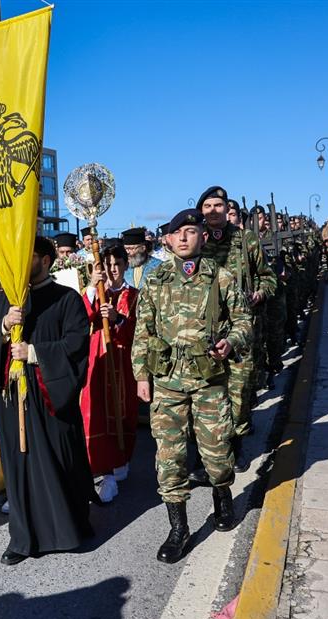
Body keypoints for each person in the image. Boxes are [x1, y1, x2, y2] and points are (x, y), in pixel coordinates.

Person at [131, 209, 252, 564]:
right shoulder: (155, 281)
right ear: (167, 240)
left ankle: (222, 496)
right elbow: (143, 330)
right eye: (176, 233)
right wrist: (141, 376)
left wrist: (231, 342)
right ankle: (178, 528)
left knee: (216, 451)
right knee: (169, 456)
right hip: (167, 380)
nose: (183, 237)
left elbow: (244, 321)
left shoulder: (221, 277)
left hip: (209, 379)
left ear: (202, 236)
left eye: (190, 231)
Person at [0, 236, 94, 566]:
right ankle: (23, 537)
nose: (18, 261)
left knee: (61, 460)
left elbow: (76, 345)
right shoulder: (6, 301)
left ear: (45, 260)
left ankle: (70, 528)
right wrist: (2, 326)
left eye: (26, 255)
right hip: (13, 399)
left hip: (49, 397)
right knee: (19, 467)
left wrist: (33, 353)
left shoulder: (66, 299)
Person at [199, 186, 275, 470]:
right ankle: (210, 453)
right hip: (205, 329)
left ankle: (237, 444)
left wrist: (260, 294)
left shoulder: (246, 240)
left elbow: (269, 278)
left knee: (239, 392)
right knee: (208, 393)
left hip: (242, 328)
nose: (213, 211)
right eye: (208, 206)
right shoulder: (197, 239)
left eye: (218, 205)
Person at [81, 244, 139, 503]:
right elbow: (82, 319)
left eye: (117, 264)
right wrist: (93, 288)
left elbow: (139, 331)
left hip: (121, 358)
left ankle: (119, 462)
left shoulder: (135, 295)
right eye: (107, 265)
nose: (112, 269)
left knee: (121, 410)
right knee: (94, 412)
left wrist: (117, 319)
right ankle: (100, 466)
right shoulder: (94, 293)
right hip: (97, 358)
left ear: (126, 265)